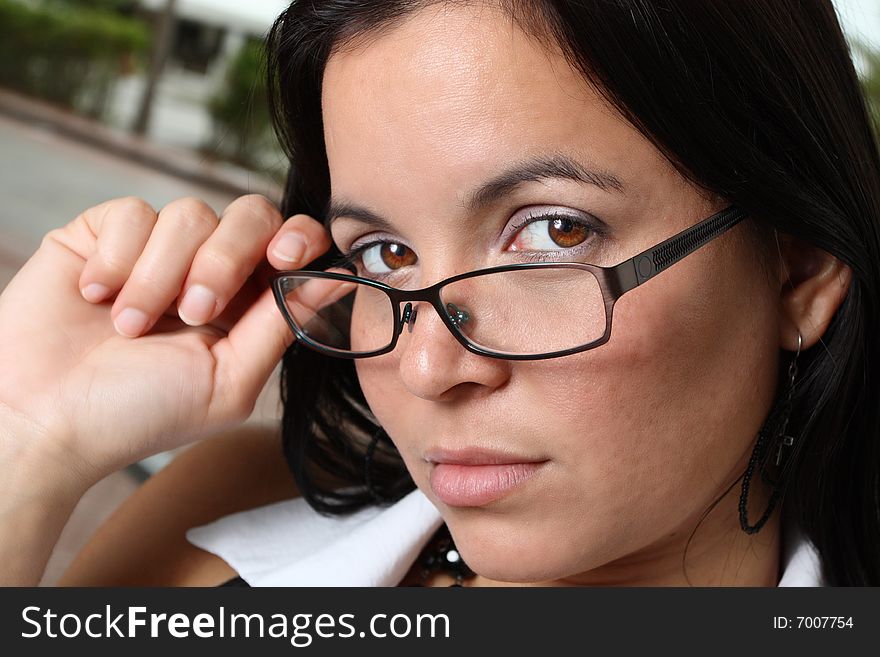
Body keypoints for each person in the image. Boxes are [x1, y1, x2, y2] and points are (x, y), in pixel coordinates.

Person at [1, 0, 878, 587]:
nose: (427, 366)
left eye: (553, 232)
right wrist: (28, 439)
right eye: (382, 252)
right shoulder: (221, 519)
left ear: (796, 271)